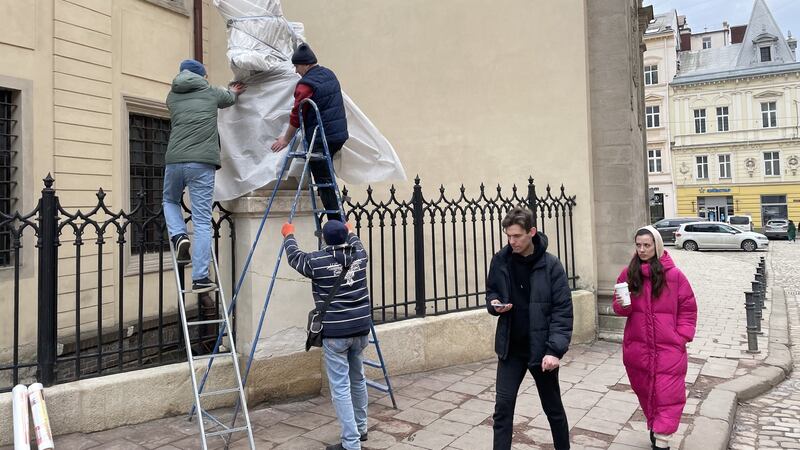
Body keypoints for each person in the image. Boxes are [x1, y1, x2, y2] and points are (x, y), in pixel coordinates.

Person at [486, 207, 573, 450]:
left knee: (553, 409)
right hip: (511, 348)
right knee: (502, 410)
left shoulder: (551, 265)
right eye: (508, 236)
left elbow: (563, 311)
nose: (511, 241)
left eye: (517, 236)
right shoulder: (501, 260)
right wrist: (494, 304)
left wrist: (554, 351)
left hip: (541, 350)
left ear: (531, 232)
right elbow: (492, 291)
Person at [282, 220, 370, 450]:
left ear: (324, 239)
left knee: (340, 387)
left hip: (336, 333)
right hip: (361, 328)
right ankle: (361, 429)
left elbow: (295, 257)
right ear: (346, 236)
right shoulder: (360, 255)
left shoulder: (317, 261)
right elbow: (355, 239)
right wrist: (350, 230)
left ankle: (351, 443)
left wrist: (288, 235)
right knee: (358, 378)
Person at [163, 59, 246, 293]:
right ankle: (200, 278)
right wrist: (233, 91)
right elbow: (229, 99)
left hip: (175, 160)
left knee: (169, 200)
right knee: (201, 220)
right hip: (202, 162)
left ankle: (179, 236)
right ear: (202, 76)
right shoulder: (211, 92)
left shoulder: (171, 97)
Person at [613, 226, 697, 450]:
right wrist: (622, 305)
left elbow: (688, 308)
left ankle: (662, 439)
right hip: (638, 349)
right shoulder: (628, 274)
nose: (642, 250)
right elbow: (620, 309)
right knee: (645, 391)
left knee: (668, 395)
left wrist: (682, 336)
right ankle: (655, 424)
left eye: (647, 245)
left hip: (669, 349)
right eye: (638, 245)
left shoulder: (675, 276)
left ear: (657, 246)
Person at [271, 43, 348, 222]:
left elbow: (296, 115)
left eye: (297, 66)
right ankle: (338, 216)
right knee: (327, 177)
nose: (296, 71)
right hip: (338, 135)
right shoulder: (329, 74)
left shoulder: (306, 85)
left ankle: (336, 223)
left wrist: (285, 139)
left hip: (321, 138)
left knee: (323, 181)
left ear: (305, 65)